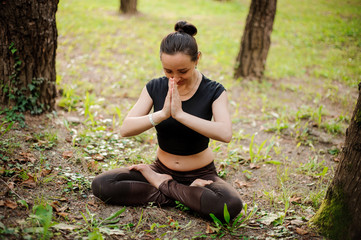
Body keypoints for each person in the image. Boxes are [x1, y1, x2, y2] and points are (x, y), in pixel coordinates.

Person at [91, 20, 243, 221]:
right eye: (168, 71)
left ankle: (164, 186)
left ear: (197, 59)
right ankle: (185, 194)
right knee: (102, 184)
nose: (175, 78)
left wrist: (180, 115)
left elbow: (225, 134)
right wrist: (162, 114)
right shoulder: (154, 87)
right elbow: (126, 129)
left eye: (183, 71)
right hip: (160, 168)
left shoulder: (214, 91)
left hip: (201, 175)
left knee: (230, 204)